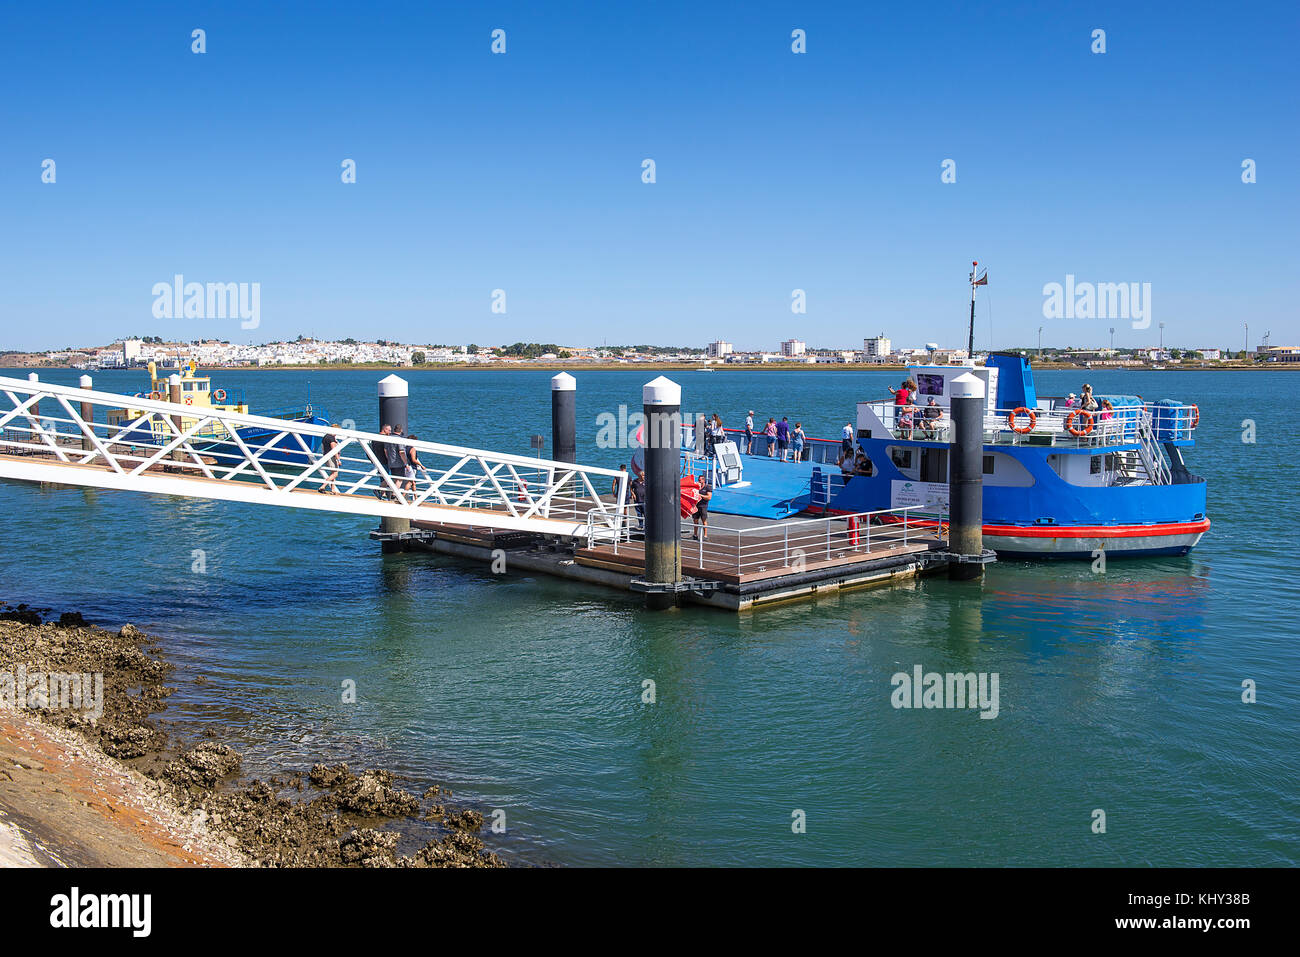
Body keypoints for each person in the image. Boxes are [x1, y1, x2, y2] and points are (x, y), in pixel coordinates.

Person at [371, 424, 395, 499]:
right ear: (385, 429)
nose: (390, 432)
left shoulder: (374, 438)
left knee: (383, 478)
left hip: (377, 460)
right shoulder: (385, 438)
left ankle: (383, 494)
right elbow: (386, 450)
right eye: (389, 430)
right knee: (388, 478)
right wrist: (390, 460)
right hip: (384, 460)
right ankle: (378, 489)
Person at [321, 424, 341, 494]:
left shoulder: (325, 437)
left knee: (332, 473)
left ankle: (333, 489)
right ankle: (323, 486)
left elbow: (323, 448)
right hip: (331, 457)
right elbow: (334, 449)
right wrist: (338, 460)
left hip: (326, 456)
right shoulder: (331, 438)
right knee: (335, 474)